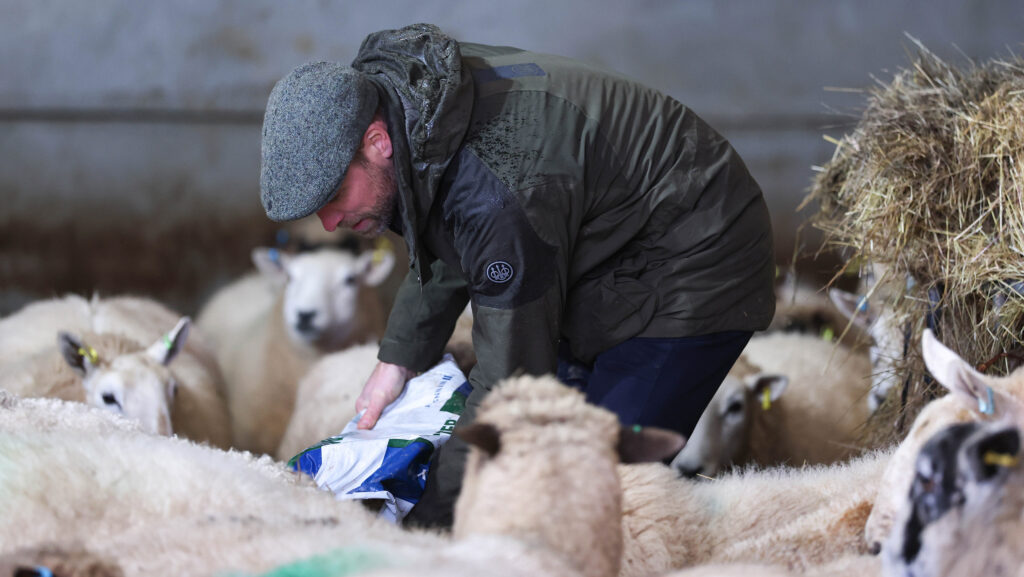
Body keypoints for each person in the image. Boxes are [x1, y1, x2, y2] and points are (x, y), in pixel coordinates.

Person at [259, 23, 775, 528]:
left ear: (376, 142)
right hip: (604, 247)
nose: (329, 224)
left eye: (332, 197)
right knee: (545, 462)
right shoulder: (413, 105)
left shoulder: (497, 190)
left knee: (594, 488)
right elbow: (446, 232)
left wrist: (425, 522)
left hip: (696, 254)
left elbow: (509, 385)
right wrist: (399, 359)